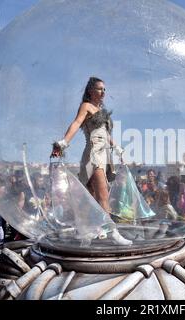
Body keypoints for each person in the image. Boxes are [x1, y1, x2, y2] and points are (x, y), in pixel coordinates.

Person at [51, 77, 131, 246]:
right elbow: (76, 123)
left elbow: (106, 134)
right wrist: (64, 142)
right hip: (94, 153)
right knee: (103, 195)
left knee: (90, 197)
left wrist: (117, 149)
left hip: (105, 154)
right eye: (100, 89)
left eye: (104, 89)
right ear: (90, 91)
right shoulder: (86, 106)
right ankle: (113, 232)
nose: (103, 92)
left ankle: (86, 231)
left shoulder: (101, 110)